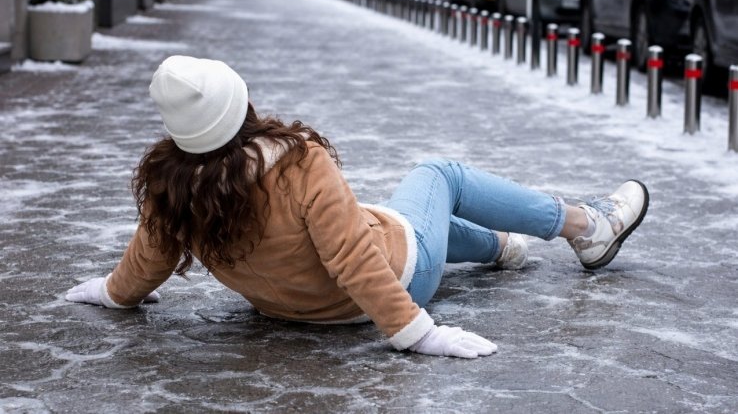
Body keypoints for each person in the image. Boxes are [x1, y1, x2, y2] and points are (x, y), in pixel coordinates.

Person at [65, 56, 649, 359]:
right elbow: (351, 256)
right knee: (437, 175)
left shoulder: (175, 190)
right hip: (396, 281)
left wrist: (112, 293)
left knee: (408, 217)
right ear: (241, 106)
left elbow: (147, 261)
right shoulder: (297, 162)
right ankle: (587, 225)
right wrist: (417, 333)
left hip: (292, 308)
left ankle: (501, 249)